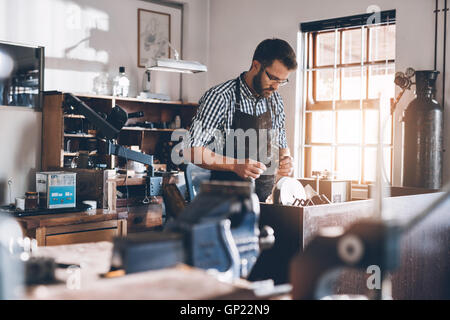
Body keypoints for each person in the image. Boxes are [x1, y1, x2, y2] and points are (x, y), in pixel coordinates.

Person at [184, 38, 298, 201]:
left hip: (265, 201)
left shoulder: (275, 101)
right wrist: (234, 165)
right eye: (273, 78)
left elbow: (281, 146)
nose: (276, 87)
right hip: (225, 204)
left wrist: (286, 160)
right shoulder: (220, 97)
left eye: (282, 81)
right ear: (256, 65)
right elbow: (191, 150)